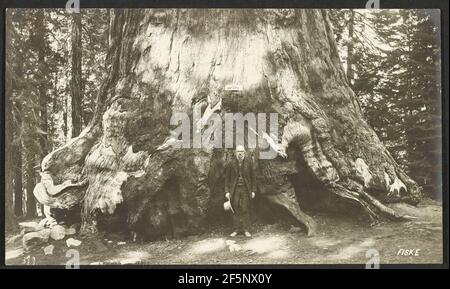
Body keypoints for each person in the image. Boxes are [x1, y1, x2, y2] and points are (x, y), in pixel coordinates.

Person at [225, 145, 257, 237]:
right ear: (235, 153)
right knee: (234, 208)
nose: (240, 153)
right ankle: (236, 229)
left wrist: (253, 190)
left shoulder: (249, 163)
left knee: (245, 207)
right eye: (238, 152)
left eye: (242, 151)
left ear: (244, 153)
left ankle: (246, 230)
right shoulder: (231, 163)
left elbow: (253, 177)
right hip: (234, 189)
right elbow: (227, 179)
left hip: (246, 188)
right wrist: (227, 191)